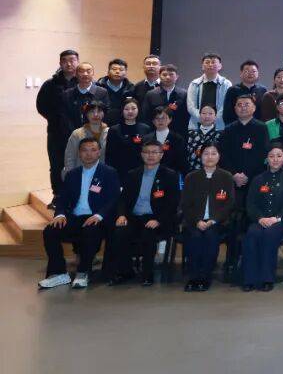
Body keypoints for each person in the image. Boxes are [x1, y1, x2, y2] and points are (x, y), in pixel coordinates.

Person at [38, 138, 120, 290]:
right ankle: (58, 273)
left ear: (99, 152)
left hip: (97, 217)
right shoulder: (72, 174)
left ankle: (83, 272)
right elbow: (62, 199)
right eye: (84, 150)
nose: (89, 154)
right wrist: (60, 214)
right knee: (50, 231)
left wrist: (99, 215)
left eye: (93, 150)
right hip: (75, 217)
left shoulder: (109, 172)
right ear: (79, 153)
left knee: (90, 230)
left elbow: (114, 199)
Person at [106, 140, 180, 286]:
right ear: (141, 154)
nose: (150, 155)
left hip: (156, 218)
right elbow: (123, 199)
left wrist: (158, 220)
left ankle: (147, 274)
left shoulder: (170, 175)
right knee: (119, 232)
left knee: (148, 233)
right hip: (133, 217)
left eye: (154, 152)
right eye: (147, 152)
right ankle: (125, 271)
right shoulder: (132, 174)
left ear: (161, 155)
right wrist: (121, 215)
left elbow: (173, 203)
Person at [241, 143, 283, 291]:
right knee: (252, 234)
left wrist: (277, 218)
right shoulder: (258, 179)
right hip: (260, 220)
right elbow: (251, 204)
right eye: (272, 156)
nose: (275, 159)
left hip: (281, 222)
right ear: (267, 158)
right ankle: (249, 278)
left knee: (269, 234)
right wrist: (260, 218)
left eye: (279, 156)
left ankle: (267, 278)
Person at [180, 143, 235, 292]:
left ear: (219, 156)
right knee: (195, 237)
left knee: (210, 236)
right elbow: (185, 204)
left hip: (217, 222)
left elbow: (229, 203)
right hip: (194, 221)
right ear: (200, 156)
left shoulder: (226, 176)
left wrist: (213, 220)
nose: (209, 157)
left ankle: (205, 277)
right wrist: (197, 221)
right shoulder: (191, 177)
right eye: (206, 153)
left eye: (213, 153)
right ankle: (193, 277)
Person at [37, 49, 81, 197]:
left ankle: (75, 195)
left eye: (72, 60)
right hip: (56, 132)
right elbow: (41, 106)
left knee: (78, 164)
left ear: (77, 62)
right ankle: (57, 196)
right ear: (60, 63)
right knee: (56, 165)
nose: (69, 64)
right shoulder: (50, 84)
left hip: (79, 132)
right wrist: (57, 119)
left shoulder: (83, 83)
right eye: (65, 61)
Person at [218, 94, 270, 211]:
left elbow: (263, 154)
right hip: (232, 178)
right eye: (239, 105)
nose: (243, 107)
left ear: (254, 108)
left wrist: (247, 174)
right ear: (235, 108)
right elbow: (223, 154)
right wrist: (234, 174)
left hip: (255, 178)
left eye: (247, 104)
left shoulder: (261, 128)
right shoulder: (229, 129)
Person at [59, 62, 108, 151]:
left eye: (88, 71)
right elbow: (65, 117)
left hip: (97, 137)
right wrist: (76, 133)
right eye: (81, 71)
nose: (85, 74)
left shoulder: (102, 92)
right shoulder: (67, 94)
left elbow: (105, 113)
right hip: (74, 137)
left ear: (93, 73)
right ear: (76, 74)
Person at [185, 52, 232, 131]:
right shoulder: (194, 84)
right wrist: (202, 118)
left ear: (220, 66)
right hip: (197, 125)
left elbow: (226, 106)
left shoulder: (226, 84)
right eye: (207, 62)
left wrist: (214, 119)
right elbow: (191, 106)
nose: (210, 65)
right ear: (202, 66)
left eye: (213, 62)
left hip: (220, 126)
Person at [106, 97, 149, 179]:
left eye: (133, 108)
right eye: (126, 109)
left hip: (140, 170)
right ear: (122, 111)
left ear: (138, 110)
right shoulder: (114, 130)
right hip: (119, 170)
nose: (130, 111)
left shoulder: (145, 129)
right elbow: (109, 154)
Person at [63, 100, 108, 178]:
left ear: (104, 113)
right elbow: (69, 158)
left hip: (103, 177)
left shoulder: (110, 133)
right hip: (80, 176)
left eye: (99, 111)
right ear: (86, 114)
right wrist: (71, 177)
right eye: (92, 111)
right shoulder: (77, 134)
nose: (96, 114)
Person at [141, 63, 188, 134]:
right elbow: (145, 116)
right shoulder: (151, 94)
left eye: (171, 74)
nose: (168, 77)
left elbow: (186, 116)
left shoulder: (184, 94)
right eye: (164, 75)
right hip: (155, 133)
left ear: (177, 77)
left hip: (178, 133)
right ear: (159, 76)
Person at [222, 60, 267, 126]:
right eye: (247, 71)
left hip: (258, 127)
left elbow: (265, 112)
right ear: (241, 73)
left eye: (253, 71)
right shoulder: (232, 90)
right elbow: (227, 113)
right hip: (237, 127)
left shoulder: (262, 90)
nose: (250, 74)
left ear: (258, 73)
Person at [146, 105, 188, 174]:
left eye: (163, 118)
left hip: (172, 174)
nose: (160, 121)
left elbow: (181, 161)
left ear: (170, 119)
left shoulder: (178, 139)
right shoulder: (147, 139)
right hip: (151, 173)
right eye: (157, 118)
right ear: (153, 121)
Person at [97, 58, 135, 127]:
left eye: (121, 70)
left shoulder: (131, 88)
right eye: (114, 69)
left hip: (123, 126)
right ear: (108, 71)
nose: (117, 72)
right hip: (101, 125)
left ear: (125, 72)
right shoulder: (98, 87)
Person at [186, 103, 220, 172]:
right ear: (199, 115)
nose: (207, 116)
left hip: (215, 173)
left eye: (210, 114)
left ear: (215, 117)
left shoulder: (220, 135)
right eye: (204, 113)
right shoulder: (190, 134)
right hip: (192, 172)